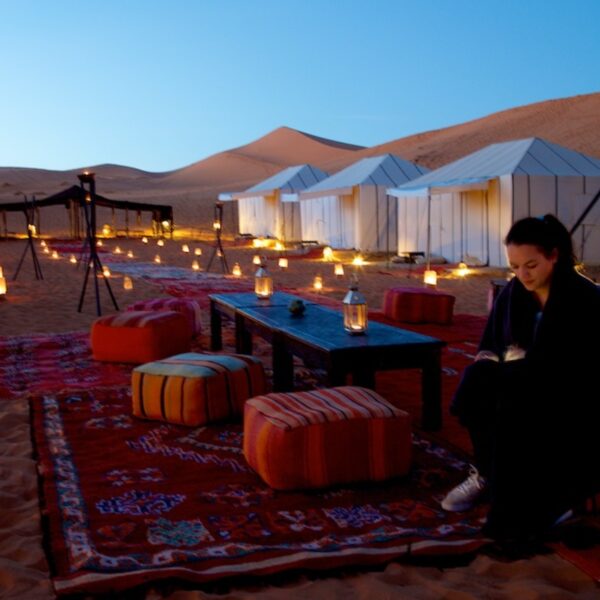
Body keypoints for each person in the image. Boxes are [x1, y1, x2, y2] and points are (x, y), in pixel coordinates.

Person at [442, 214, 600, 542]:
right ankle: (486, 473)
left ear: (553, 256)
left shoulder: (584, 298)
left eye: (531, 265)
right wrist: (493, 366)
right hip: (522, 378)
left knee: (515, 395)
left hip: (573, 393)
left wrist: (527, 371)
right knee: (476, 381)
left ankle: (534, 500)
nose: (522, 275)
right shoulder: (514, 293)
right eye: (514, 267)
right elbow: (490, 345)